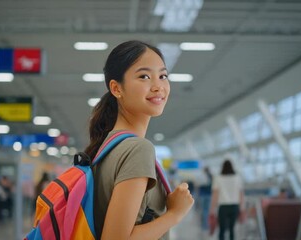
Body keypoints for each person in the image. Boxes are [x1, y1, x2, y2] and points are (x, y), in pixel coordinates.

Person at [86, 40, 194, 240]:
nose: (158, 86)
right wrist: (175, 214)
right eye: (144, 76)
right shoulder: (137, 149)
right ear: (116, 88)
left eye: (163, 76)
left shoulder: (107, 147)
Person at [210, 159, 245, 240]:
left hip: (223, 207)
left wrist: (212, 210)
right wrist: (242, 209)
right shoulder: (237, 178)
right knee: (232, 229)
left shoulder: (218, 178)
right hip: (235, 206)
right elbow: (241, 195)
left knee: (222, 230)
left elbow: (215, 195)